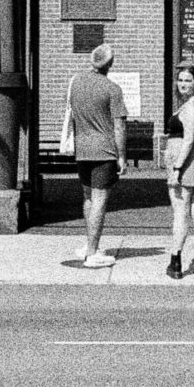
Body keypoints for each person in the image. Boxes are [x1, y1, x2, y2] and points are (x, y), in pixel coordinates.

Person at [65, 42, 129, 269]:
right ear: (110, 64)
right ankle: (93, 253)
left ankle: (88, 245)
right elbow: (119, 126)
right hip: (104, 150)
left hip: (82, 149)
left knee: (88, 197)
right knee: (100, 200)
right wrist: (122, 156)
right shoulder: (112, 89)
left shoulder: (76, 83)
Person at [164, 64, 194, 279]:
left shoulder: (193, 108)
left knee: (181, 214)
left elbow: (188, 140)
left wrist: (176, 168)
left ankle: (175, 261)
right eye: (180, 80)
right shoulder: (191, 105)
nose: (182, 84)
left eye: (188, 80)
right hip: (190, 164)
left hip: (186, 165)